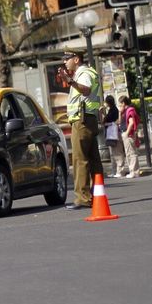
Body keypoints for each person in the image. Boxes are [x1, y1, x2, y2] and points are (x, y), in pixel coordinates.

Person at [57, 50, 103, 210]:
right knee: (93, 159)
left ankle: (83, 198)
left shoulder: (83, 74)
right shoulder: (88, 72)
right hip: (88, 119)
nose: (65, 62)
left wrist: (70, 81)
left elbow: (86, 90)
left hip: (82, 120)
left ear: (76, 59)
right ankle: (97, 194)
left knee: (79, 159)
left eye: (67, 58)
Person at [103, 95, 126, 178]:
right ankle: (115, 171)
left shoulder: (114, 110)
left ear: (108, 102)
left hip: (114, 133)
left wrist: (107, 123)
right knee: (113, 153)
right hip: (112, 133)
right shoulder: (112, 110)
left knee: (117, 152)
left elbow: (113, 121)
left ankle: (120, 171)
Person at [118, 95, 141, 178]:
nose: (119, 106)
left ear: (124, 103)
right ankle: (132, 171)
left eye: (120, 104)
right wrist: (120, 113)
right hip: (125, 133)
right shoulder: (124, 111)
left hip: (129, 134)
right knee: (128, 153)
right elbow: (119, 122)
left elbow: (131, 122)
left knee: (131, 153)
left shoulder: (129, 110)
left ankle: (134, 172)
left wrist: (127, 133)